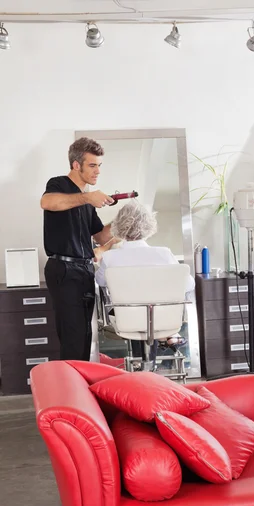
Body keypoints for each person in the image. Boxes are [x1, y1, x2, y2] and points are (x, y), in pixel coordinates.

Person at [41, 137, 116, 361]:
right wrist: (87, 197)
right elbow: (47, 203)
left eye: (99, 165)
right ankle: (70, 393)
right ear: (76, 165)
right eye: (92, 165)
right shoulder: (59, 184)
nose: (98, 171)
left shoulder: (87, 204)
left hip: (84, 270)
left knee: (85, 334)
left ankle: (80, 389)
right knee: (73, 335)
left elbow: (101, 236)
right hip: (63, 269)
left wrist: (124, 222)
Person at [95, 200, 195, 361]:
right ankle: (154, 357)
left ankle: (142, 365)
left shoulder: (110, 257)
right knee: (151, 310)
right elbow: (188, 284)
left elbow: (100, 282)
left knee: (136, 312)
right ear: (149, 225)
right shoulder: (164, 254)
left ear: (118, 226)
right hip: (163, 317)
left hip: (126, 319)